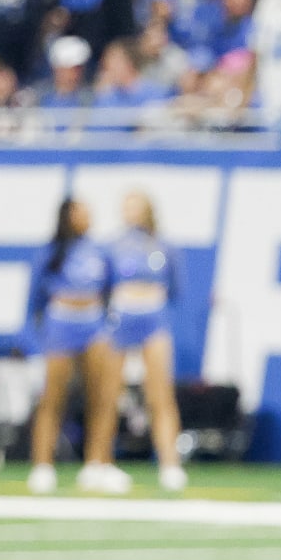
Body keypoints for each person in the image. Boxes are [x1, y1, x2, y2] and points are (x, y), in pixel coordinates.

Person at [24, 197, 127, 495]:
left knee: (102, 396)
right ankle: (42, 466)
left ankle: (97, 464)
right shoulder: (52, 252)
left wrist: (105, 323)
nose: (87, 216)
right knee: (52, 398)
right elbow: (35, 300)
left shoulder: (99, 250)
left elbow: (109, 288)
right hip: (61, 320)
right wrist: (36, 338)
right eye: (80, 211)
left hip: (93, 322)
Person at [104, 191, 187, 492]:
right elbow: (104, 285)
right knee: (110, 393)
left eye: (136, 207)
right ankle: (101, 462)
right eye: (127, 206)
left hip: (153, 317)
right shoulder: (113, 246)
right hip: (122, 317)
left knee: (160, 394)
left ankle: (169, 463)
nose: (131, 213)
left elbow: (175, 288)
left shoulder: (164, 247)